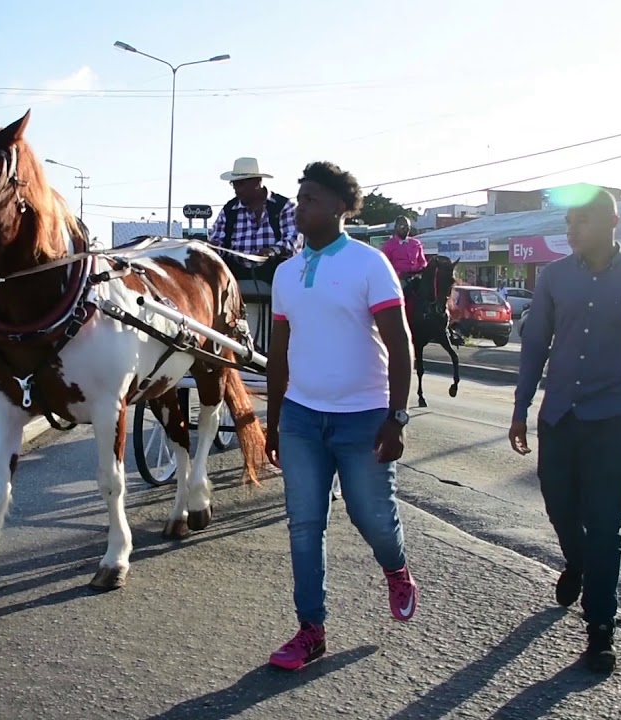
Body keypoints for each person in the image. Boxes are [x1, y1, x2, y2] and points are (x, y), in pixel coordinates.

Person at [264, 161, 419, 671]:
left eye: (308, 198)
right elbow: (280, 356)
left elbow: (400, 346)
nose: (298, 206)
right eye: (298, 197)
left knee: (371, 517)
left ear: (337, 206)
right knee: (304, 526)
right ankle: (311, 630)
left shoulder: (368, 264)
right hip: (303, 419)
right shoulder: (286, 273)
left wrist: (396, 417)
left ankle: (395, 568)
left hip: (364, 419)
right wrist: (274, 421)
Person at [508, 186, 621, 673]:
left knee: (604, 525)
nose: (571, 231)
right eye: (568, 222)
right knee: (558, 505)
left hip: (615, 420)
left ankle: (600, 628)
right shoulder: (553, 277)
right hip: (559, 417)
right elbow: (535, 345)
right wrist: (520, 407)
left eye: (581, 222)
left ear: (611, 223)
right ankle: (576, 562)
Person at [208, 157, 302, 352]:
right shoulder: (229, 210)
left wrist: (272, 251)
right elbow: (216, 241)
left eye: (240, 184)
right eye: (234, 184)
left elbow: (294, 240)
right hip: (235, 271)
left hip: (274, 269)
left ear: (257, 182)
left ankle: (284, 342)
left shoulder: (284, 207)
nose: (236, 189)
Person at [380, 216, 427, 295]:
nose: (405, 229)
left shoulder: (416, 243)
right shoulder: (388, 245)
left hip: (417, 277)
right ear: (396, 227)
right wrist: (399, 274)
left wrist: (421, 269)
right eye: (402, 226)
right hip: (399, 280)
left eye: (407, 227)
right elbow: (384, 267)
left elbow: (423, 262)